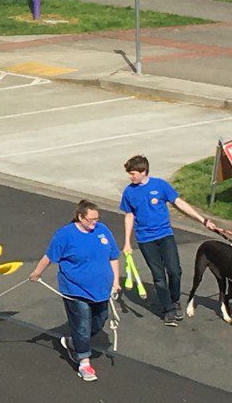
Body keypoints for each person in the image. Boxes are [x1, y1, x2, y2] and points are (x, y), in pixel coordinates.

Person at [30, 200, 121, 382]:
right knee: (82, 324)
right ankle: (84, 363)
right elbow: (50, 256)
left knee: (99, 321)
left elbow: (113, 257)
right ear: (80, 217)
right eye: (90, 220)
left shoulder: (103, 231)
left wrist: (116, 281)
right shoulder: (65, 235)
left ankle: (74, 343)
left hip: (101, 289)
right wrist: (37, 273)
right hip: (75, 289)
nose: (94, 223)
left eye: (97, 219)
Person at [120, 154, 215, 326]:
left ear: (143, 171)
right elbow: (129, 215)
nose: (130, 177)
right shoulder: (129, 192)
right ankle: (168, 310)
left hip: (165, 235)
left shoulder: (160, 185)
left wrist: (203, 220)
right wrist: (127, 242)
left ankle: (175, 299)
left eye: (133, 173)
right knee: (158, 276)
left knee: (174, 270)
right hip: (145, 239)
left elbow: (179, 203)